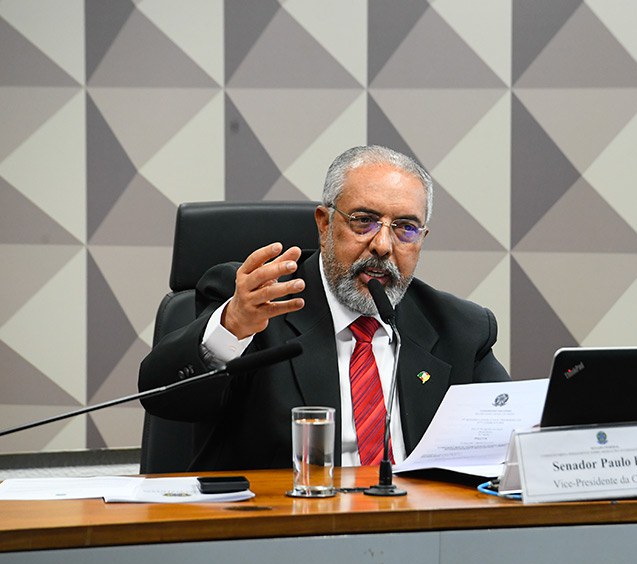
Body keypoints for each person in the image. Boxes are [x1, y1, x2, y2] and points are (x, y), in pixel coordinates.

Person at [139, 145, 510, 471]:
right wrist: (233, 325)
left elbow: (512, 433)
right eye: (364, 221)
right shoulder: (260, 306)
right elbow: (162, 395)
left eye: (405, 228)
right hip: (280, 534)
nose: (383, 245)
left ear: (421, 239)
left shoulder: (459, 328)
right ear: (324, 223)